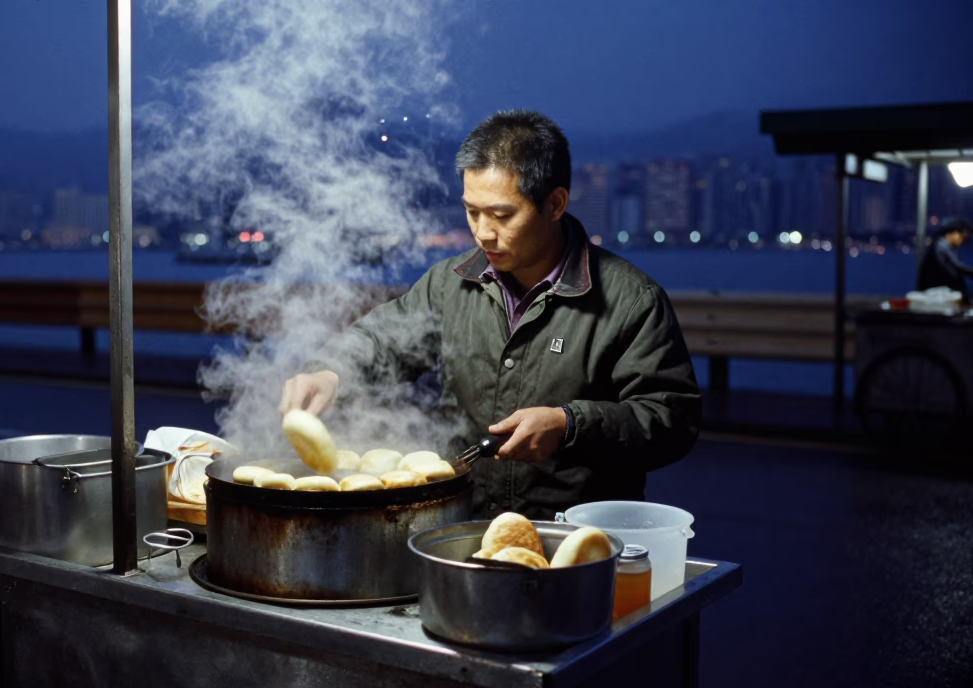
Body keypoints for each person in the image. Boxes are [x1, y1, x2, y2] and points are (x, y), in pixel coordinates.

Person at [278, 109, 701, 519]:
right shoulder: (450, 283)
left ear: (554, 204)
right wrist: (330, 372)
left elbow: (672, 421)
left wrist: (569, 424)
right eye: (471, 211)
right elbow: (382, 339)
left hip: (568, 537)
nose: (482, 232)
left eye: (501, 215)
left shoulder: (630, 300)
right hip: (457, 525)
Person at [916, 216, 973, 295]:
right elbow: (955, 266)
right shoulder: (941, 248)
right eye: (963, 237)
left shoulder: (943, 248)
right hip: (935, 295)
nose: (963, 241)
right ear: (954, 233)